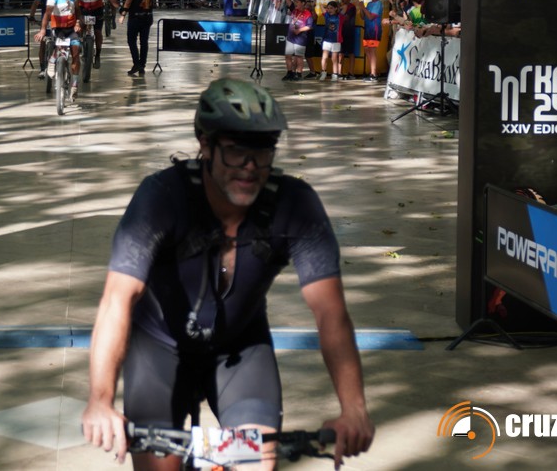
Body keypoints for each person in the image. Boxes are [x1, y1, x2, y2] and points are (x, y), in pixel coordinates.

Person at [81, 79, 373, 469]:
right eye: (236, 151)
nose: (250, 167)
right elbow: (117, 299)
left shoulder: (295, 205)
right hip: (159, 348)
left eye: (262, 151)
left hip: (241, 349)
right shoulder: (161, 197)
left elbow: (331, 313)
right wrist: (100, 401)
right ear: (205, 145)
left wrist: (353, 409)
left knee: (257, 462)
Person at [36, 0, 83, 96]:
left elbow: (78, 10)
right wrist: (42, 30)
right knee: (59, 47)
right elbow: (47, 14)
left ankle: (74, 84)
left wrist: (78, 22)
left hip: (71, 29)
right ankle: (52, 60)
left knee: (76, 53)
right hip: (58, 29)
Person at [74, 0, 113, 70]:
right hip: (83, 9)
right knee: (79, 27)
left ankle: (98, 55)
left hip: (97, 10)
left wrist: (119, 9)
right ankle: (80, 43)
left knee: (98, 33)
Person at [119, 0, 154, 78]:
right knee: (144, 41)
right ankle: (142, 65)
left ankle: (137, 64)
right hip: (148, 15)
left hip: (135, 16)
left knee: (131, 40)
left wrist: (123, 13)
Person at [283, 0, 313, 81]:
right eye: (294, 2)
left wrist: (299, 30)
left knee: (299, 56)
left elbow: (309, 26)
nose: (295, 3)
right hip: (290, 37)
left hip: (300, 39)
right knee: (288, 55)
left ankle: (298, 74)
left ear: (303, 3)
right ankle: (289, 73)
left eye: (297, 2)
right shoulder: (294, 9)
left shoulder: (307, 13)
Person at [361, 0, 384, 82]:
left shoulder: (378, 4)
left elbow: (371, 17)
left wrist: (363, 8)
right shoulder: (369, 4)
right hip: (367, 29)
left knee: (372, 50)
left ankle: (373, 74)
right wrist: (361, 8)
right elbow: (363, 17)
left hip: (374, 30)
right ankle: (372, 71)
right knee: (367, 50)